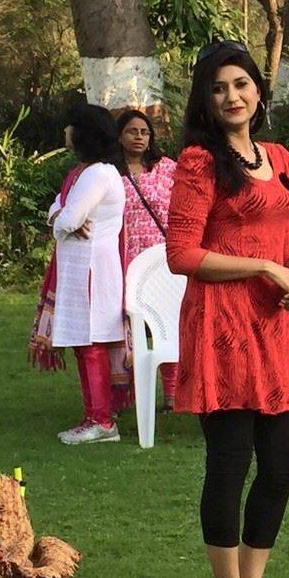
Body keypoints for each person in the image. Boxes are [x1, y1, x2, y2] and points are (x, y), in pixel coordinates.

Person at [166, 39, 289, 578]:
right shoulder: (199, 162)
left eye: (241, 84)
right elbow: (183, 255)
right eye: (219, 88)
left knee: (282, 461)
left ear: (258, 90)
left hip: (270, 325)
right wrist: (264, 269)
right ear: (206, 99)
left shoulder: (277, 157)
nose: (232, 96)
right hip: (221, 322)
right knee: (229, 463)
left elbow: (284, 236)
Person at [36, 103, 128, 445]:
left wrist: (61, 220)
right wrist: (60, 217)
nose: (65, 133)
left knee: (91, 344)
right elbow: (59, 212)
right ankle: (93, 417)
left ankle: (102, 422)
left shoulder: (97, 174)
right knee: (83, 344)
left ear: (83, 133)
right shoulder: (86, 172)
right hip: (82, 269)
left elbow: (69, 220)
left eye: (70, 126)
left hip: (91, 269)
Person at [116, 108, 180, 410]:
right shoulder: (110, 171)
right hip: (124, 260)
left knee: (166, 328)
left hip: (162, 261)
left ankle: (172, 394)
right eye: (132, 131)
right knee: (128, 330)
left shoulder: (166, 168)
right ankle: (129, 395)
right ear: (119, 135)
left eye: (144, 132)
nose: (139, 137)